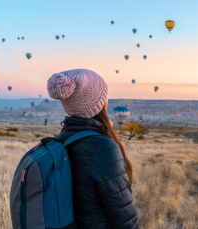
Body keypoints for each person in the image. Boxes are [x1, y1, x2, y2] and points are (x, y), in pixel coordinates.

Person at [47, 69, 139, 229]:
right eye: (104, 96)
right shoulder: (102, 147)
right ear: (99, 103)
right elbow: (125, 218)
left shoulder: (63, 138)